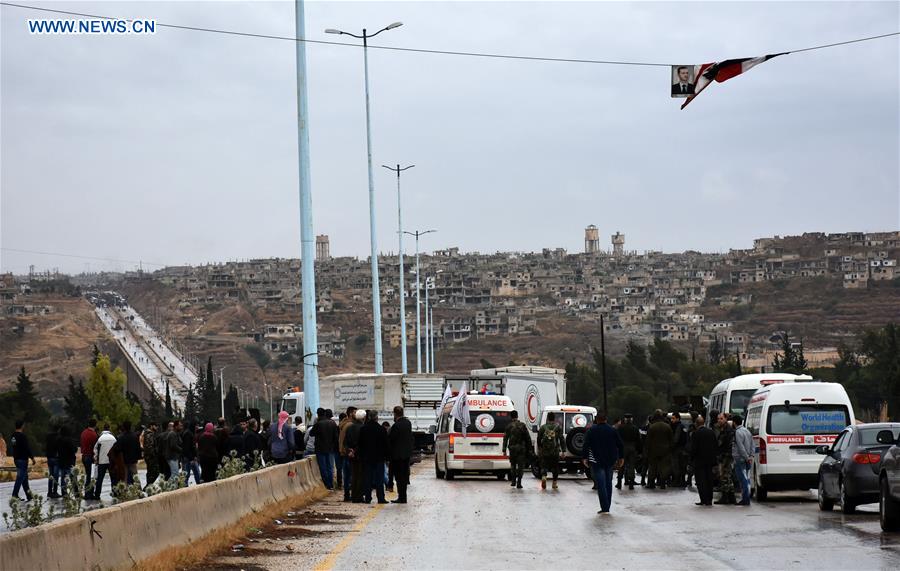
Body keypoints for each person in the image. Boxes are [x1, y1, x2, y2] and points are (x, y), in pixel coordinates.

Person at [583, 414, 624, 514]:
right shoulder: (612, 430)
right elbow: (620, 444)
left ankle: (604, 507)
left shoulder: (592, 430)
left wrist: (585, 457)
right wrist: (621, 457)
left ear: (597, 420)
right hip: (610, 460)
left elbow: (586, 444)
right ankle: (607, 506)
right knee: (608, 483)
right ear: (606, 419)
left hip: (596, 460)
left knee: (601, 484)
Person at [359, 410, 389, 504]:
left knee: (368, 478)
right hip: (379, 458)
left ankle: (368, 498)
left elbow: (361, 444)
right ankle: (381, 498)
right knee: (379, 478)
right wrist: (386, 456)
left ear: (368, 417)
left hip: (367, 458)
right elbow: (385, 444)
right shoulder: (381, 429)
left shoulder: (364, 429)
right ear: (377, 417)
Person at [690, 415, 718, 506]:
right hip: (710, 461)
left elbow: (693, 448)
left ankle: (703, 499)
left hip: (699, 461)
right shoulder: (711, 432)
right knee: (709, 480)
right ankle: (709, 499)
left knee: (701, 481)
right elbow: (715, 446)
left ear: (696, 424)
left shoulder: (696, 433)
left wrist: (691, 459)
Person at [388, 406, 414, 503]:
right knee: (404, 476)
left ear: (395, 414)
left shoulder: (396, 426)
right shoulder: (408, 423)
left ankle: (401, 497)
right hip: (406, 455)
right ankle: (404, 497)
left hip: (397, 456)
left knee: (399, 478)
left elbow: (391, 439)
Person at [502, 410, 531, 489]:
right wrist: (530, 449)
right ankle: (519, 482)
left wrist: (504, 450)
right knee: (521, 466)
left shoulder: (509, 426)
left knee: (513, 465)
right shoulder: (522, 425)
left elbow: (505, 439)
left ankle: (513, 481)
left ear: (511, 417)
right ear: (517, 416)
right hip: (521, 449)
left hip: (512, 449)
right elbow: (528, 438)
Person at [310, 408, 338, 488]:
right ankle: (331, 484)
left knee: (323, 467)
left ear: (318, 414)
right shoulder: (332, 423)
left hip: (320, 449)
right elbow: (336, 437)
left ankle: (327, 485)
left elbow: (311, 433)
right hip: (330, 449)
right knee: (329, 467)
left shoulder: (318, 424)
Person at [537, 412, 565, 490]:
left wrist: (540, 448)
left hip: (545, 451)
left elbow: (538, 439)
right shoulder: (558, 427)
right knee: (555, 467)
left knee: (544, 466)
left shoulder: (543, 427)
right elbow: (561, 439)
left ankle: (544, 477)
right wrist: (563, 451)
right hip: (555, 451)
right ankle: (554, 483)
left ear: (548, 418)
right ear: (554, 418)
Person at [645, 410, 672, 489]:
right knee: (663, 467)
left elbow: (648, 441)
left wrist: (646, 451)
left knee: (653, 467)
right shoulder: (667, 426)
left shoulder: (652, 427)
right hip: (665, 450)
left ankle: (651, 483)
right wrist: (670, 449)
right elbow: (671, 439)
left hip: (653, 450)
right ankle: (662, 483)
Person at [715, 412, 737, 505]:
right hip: (725, 455)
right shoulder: (724, 429)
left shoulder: (727, 430)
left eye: (721, 419)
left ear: (725, 419)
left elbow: (721, 443)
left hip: (726, 456)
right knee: (727, 477)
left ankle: (725, 497)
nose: (719, 420)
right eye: (718, 419)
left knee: (724, 476)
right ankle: (731, 497)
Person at [10, 420, 35, 501]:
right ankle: (14, 494)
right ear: (22, 426)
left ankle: (29, 495)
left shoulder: (13, 436)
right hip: (23, 459)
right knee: (20, 477)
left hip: (16, 459)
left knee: (24, 477)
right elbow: (26, 448)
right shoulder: (22, 436)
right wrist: (32, 457)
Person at [615, 413, 641, 491]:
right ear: (631, 419)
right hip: (632, 448)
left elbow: (617, 439)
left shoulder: (620, 428)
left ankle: (619, 483)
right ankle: (631, 483)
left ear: (625, 419)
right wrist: (639, 450)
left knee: (621, 465)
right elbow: (638, 440)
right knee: (631, 466)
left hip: (622, 448)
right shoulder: (635, 428)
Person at [732, 415, 753, 506]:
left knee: (743, 479)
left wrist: (746, 457)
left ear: (734, 422)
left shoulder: (737, 432)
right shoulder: (747, 431)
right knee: (747, 479)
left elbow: (740, 447)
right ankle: (746, 498)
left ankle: (745, 499)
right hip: (747, 458)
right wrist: (750, 456)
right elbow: (752, 445)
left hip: (740, 459)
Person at [346, 409, 365, 503]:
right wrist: (355, 450)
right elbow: (362, 443)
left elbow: (347, 441)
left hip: (351, 455)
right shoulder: (363, 428)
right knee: (361, 476)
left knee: (353, 475)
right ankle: (359, 496)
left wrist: (350, 450)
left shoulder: (350, 427)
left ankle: (353, 496)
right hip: (360, 455)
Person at [93, 424, 117, 499]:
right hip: (111, 461)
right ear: (109, 429)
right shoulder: (113, 438)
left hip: (102, 461)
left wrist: (96, 458)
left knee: (100, 479)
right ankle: (115, 493)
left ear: (103, 429)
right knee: (113, 478)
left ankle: (97, 494)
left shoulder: (100, 439)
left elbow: (95, 449)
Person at [338, 407, 357, 501]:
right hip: (349, 453)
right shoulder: (350, 425)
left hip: (343, 452)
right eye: (354, 412)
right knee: (352, 475)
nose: (356, 414)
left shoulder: (343, 423)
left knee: (346, 476)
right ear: (350, 413)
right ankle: (353, 495)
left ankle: (346, 495)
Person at [117, 420, 142, 486]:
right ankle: (138, 489)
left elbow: (118, 449)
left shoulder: (121, 437)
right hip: (133, 459)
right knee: (135, 475)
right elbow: (138, 447)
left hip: (124, 459)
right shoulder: (135, 436)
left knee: (125, 476)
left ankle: (124, 491)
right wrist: (138, 457)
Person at [80, 419, 99, 498]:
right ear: (95, 425)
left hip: (84, 456)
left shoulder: (83, 432)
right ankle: (89, 493)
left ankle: (87, 492)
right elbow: (95, 447)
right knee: (91, 476)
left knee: (88, 475)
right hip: (90, 457)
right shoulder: (94, 434)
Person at [57, 426, 77, 497]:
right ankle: (76, 493)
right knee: (73, 478)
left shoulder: (58, 440)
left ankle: (64, 493)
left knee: (63, 478)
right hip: (70, 461)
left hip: (61, 461)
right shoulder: (69, 440)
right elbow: (74, 449)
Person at [670, 413, 688, 488]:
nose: (672, 420)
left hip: (677, 449)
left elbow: (676, 439)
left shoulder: (678, 427)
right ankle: (682, 481)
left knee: (676, 466)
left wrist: (672, 446)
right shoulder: (683, 427)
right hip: (683, 449)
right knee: (682, 466)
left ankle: (676, 481)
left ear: (678, 419)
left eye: (673, 418)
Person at [141, 422, 160, 489]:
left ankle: (148, 486)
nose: (157, 427)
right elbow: (150, 447)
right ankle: (148, 487)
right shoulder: (150, 434)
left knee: (150, 472)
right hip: (151, 457)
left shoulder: (147, 433)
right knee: (155, 472)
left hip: (149, 456)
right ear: (151, 426)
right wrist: (154, 455)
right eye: (155, 426)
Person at [46, 424, 61, 498]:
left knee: (50, 476)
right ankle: (55, 491)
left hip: (49, 457)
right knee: (56, 476)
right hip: (56, 458)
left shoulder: (48, 436)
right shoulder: (58, 437)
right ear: (58, 430)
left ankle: (49, 492)